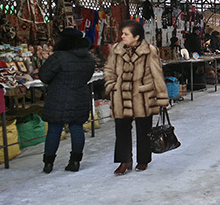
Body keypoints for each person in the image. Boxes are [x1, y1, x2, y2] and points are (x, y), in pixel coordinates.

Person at [104, 20, 169, 175]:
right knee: (121, 129)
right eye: (122, 33)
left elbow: (157, 75)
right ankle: (124, 161)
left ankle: (143, 160)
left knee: (144, 129)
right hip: (121, 96)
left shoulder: (149, 51)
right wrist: (111, 85)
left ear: (136, 36)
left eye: (126, 34)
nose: (122, 36)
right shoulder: (116, 50)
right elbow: (109, 69)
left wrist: (161, 97)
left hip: (142, 96)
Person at [38, 28, 96, 173]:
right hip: (80, 97)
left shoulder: (59, 57)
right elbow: (88, 77)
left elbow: (44, 76)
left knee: (54, 129)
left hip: (58, 97)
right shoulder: (88, 58)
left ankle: (48, 163)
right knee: (77, 128)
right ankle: (75, 162)